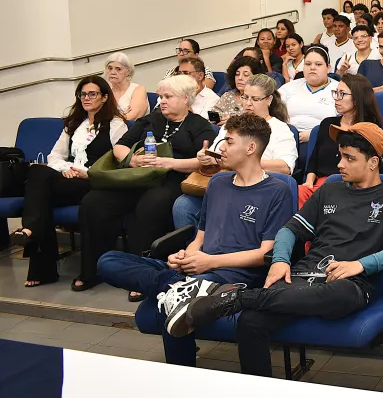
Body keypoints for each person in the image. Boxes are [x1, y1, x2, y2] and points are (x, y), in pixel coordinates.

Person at [174, 123, 383, 379]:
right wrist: (280, 261)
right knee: (250, 322)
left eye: (350, 158)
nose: (340, 165)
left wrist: (360, 265)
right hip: (302, 277)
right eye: (340, 156)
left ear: (373, 163)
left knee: (340, 296)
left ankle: (238, 298)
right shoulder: (329, 189)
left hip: (349, 282)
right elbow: (289, 230)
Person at [97, 113, 292, 364]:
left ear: (251, 147)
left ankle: (182, 293)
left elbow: (264, 254)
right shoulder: (218, 183)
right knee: (108, 261)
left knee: (172, 304)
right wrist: (186, 256)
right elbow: (200, 236)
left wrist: (209, 262)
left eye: (229, 141)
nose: (221, 147)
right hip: (197, 270)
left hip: (232, 276)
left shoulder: (277, 191)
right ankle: (179, 285)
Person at [72, 75, 217, 292]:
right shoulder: (150, 120)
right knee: (94, 202)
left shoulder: (199, 126)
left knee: (150, 205)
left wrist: (168, 162)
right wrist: (133, 159)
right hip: (137, 177)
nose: (162, 101)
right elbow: (120, 147)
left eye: (168, 96)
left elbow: (201, 161)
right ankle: (93, 270)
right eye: (160, 97)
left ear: (186, 98)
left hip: (172, 179)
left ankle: (142, 275)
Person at [10, 77, 127, 287]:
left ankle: (31, 236)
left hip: (94, 180)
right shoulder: (74, 124)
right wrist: (67, 170)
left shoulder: (116, 125)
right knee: (38, 173)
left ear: (105, 97)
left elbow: (118, 164)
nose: (86, 98)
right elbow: (54, 157)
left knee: (38, 191)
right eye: (83, 94)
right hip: (70, 179)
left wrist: (84, 172)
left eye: (92, 94)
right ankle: (36, 243)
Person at [172, 74, 298, 229]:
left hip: (257, 186)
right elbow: (215, 153)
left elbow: (285, 167)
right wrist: (206, 157)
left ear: (269, 100)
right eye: (245, 97)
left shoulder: (280, 129)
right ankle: (194, 248)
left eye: (255, 99)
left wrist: (244, 162)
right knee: (183, 205)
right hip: (225, 182)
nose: (248, 104)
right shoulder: (232, 124)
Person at [300, 74, 383, 205]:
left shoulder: (370, 128)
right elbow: (314, 160)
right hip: (321, 185)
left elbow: (372, 169)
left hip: (354, 185)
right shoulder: (327, 124)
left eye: (342, 94)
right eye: (336, 93)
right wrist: (309, 182)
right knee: (299, 191)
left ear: (357, 98)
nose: (336, 99)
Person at [279, 47, 337, 142]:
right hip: (285, 139)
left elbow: (345, 122)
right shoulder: (288, 88)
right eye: (308, 64)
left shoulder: (339, 90)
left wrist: (317, 135)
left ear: (328, 68)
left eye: (318, 64)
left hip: (324, 141)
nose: (312, 67)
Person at [212, 56, 266, 123]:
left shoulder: (259, 99)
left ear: (256, 77)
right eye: (237, 74)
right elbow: (213, 117)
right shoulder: (228, 96)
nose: (240, 78)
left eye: (246, 75)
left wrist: (232, 122)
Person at [103, 52, 148, 121]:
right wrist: (122, 116)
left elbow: (133, 116)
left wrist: (114, 119)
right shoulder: (105, 91)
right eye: (110, 68)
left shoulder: (139, 90)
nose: (113, 72)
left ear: (128, 72)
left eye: (118, 69)